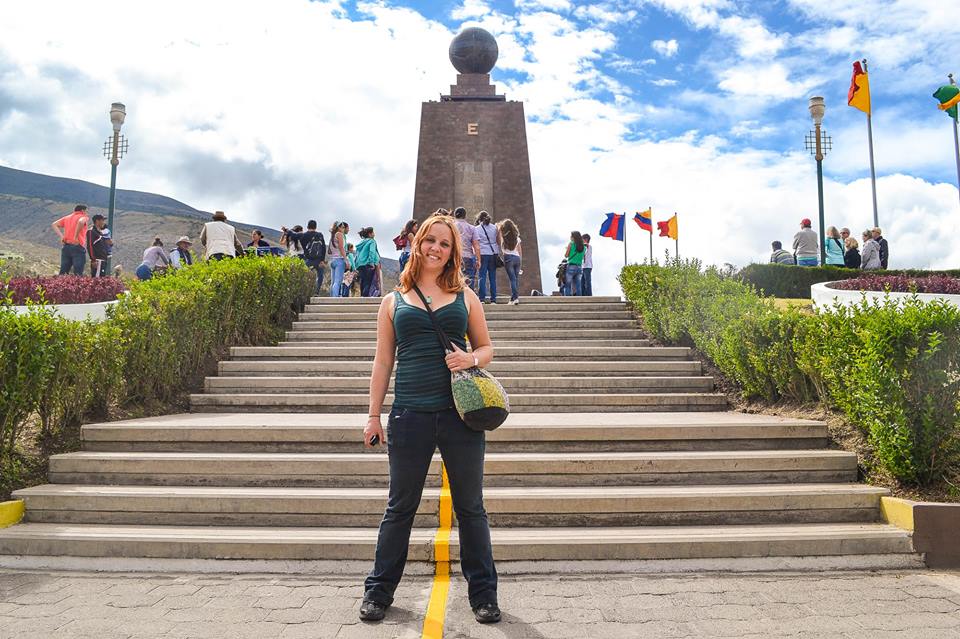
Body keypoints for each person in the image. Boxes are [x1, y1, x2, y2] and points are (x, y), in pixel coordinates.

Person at [360, 214, 500, 625]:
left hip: (461, 415)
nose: (436, 248)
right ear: (418, 244)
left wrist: (470, 358)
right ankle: (378, 593)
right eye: (430, 241)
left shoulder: (466, 296)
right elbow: (383, 361)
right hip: (409, 413)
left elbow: (487, 347)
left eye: (445, 244)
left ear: (453, 252)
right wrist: (373, 416)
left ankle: (484, 596)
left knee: (471, 508)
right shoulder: (393, 300)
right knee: (399, 508)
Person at [283, 220, 327, 294]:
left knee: (302, 275)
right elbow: (323, 248)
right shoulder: (320, 235)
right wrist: (322, 260)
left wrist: (287, 230)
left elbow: (293, 235)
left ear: (307, 227)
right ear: (316, 227)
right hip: (319, 260)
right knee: (320, 276)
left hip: (308, 260)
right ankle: (316, 292)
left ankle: (303, 292)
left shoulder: (303, 235)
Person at [52, 204, 89, 275]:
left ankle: (59, 285)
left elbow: (54, 224)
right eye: (86, 211)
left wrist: (61, 236)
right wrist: (75, 236)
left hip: (66, 246)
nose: (87, 213)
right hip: (77, 246)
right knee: (78, 272)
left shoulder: (67, 217)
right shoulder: (83, 217)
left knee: (63, 271)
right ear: (82, 210)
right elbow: (81, 222)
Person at [475, 211, 501, 303]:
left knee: (482, 276)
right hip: (493, 254)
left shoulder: (477, 229)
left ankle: (482, 298)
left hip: (482, 253)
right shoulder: (494, 228)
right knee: (492, 278)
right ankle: (493, 299)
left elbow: (476, 243)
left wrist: (477, 257)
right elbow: (498, 241)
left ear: (479, 219)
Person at [454, 207, 481, 290]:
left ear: (455, 215)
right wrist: (478, 259)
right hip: (468, 257)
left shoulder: (451, 226)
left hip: (454, 256)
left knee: (454, 279)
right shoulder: (471, 228)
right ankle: (469, 300)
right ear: (465, 216)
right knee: (469, 280)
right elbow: (476, 246)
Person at [498, 219, 522, 304]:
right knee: (515, 279)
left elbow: (502, 250)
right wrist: (520, 263)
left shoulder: (503, 237)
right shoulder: (517, 238)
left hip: (508, 258)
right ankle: (513, 298)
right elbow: (520, 251)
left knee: (512, 279)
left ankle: (515, 298)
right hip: (517, 258)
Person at [355, 226, 381, 297]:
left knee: (363, 281)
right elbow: (372, 252)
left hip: (359, 264)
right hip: (368, 263)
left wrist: (355, 265)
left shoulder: (361, 243)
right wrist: (371, 262)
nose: (374, 234)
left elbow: (357, 254)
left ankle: (362, 296)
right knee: (368, 282)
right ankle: (365, 298)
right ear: (370, 234)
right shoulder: (372, 241)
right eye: (373, 232)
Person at [328, 221, 349, 298]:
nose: (344, 229)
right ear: (338, 228)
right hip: (339, 260)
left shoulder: (332, 235)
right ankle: (335, 298)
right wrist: (346, 260)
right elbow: (341, 248)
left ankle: (332, 297)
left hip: (332, 260)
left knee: (333, 282)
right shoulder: (339, 234)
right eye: (342, 227)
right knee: (338, 281)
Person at [564, 231, 586, 296]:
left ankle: (567, 301)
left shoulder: (571, 244)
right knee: (578, 285)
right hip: (579, 267)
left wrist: (568, 250)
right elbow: (582, 258)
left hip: (571, 266)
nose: (570, 237)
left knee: (568, 284)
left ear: (574, 237)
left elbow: (566, 255)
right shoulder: (584, 247)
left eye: (571, 236)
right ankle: (580, 301)